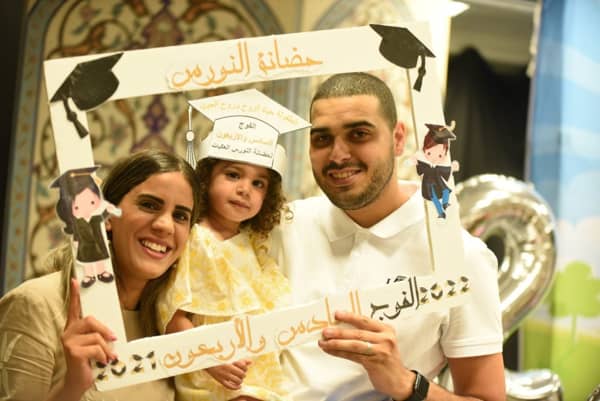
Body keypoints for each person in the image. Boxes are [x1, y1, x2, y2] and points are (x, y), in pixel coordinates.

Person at [274, 72, 505, 401]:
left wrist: (405, 383)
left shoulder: (460, 256)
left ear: (398, 139)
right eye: (322, 139)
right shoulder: (283, 227)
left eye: (359, 134)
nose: (338, 155)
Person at [0, 149, 202, 401]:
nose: (165, 225)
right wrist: (72, 386)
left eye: (180, 216)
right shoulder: (36, 304)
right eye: (149, 205)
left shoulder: (170, 324)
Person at [156, 89, 303, 401]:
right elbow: (173, 318)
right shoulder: (195, 238)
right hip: (210, 376)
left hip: (258, 378)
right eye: (233, 174)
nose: (244, 189)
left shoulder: (254, 244)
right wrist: (210, 358)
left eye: (258, 183)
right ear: (206, 179)